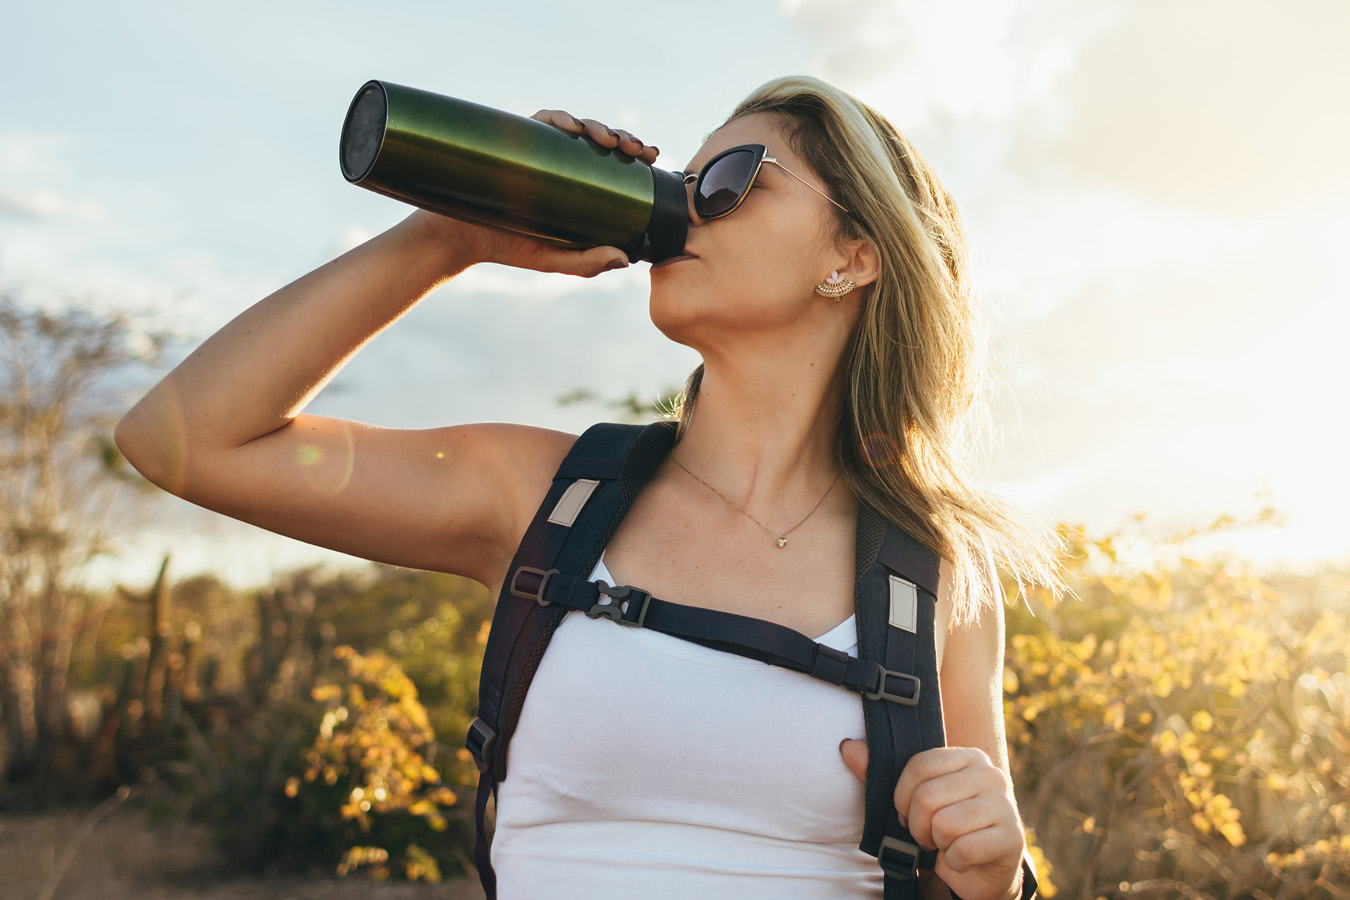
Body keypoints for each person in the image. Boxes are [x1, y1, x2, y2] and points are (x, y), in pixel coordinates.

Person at [115, 75, 1059, 899]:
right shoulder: (544, 498)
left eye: (729, 187)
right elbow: (184, 439)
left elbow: (962, 866)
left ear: (852, 255)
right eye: (679, 188)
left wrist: (989, 878)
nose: (684, 211)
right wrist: (447, 238)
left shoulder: (932, 577)